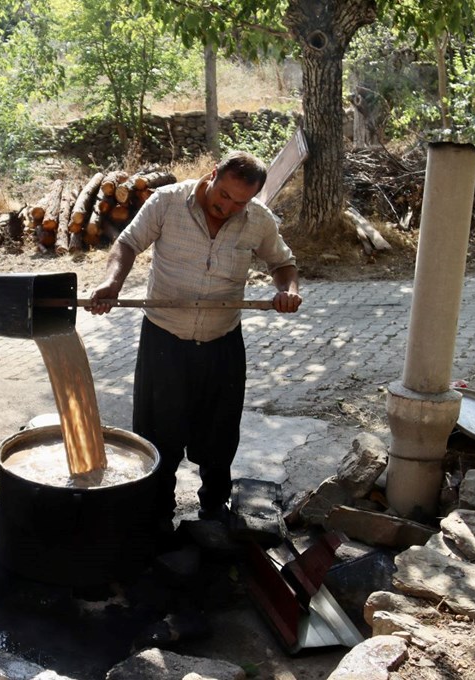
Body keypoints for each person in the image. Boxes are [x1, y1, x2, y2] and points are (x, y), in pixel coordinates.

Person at [88, 151, 302, 540]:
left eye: (241, 202)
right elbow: (128, 244)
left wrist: (287, 290)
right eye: (225, 195)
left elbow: (282, 264)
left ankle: (214, 508)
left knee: (219, 435)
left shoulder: (258, 221)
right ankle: (156, 512)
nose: (229, 207)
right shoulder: (168, 201)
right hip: (164, 339)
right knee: (158, 434)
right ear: (212, 175)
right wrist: (112, 284)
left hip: (222, 342)